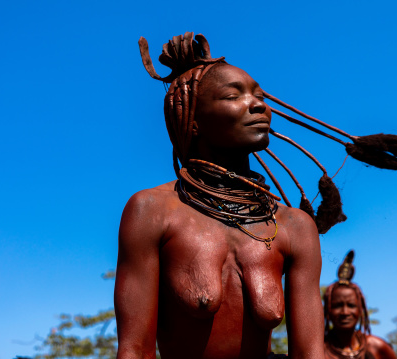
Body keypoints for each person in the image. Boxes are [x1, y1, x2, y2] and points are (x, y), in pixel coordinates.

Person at [114, 32, 325, 359]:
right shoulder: (152, 211)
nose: (258, 105)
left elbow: (311, 353)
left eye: (258, 95)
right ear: (194, 121)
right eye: (233, 96)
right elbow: (134, 351)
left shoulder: (295, 226)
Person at [323, 251, 397, 359]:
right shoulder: (318, 350)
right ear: (327, 310)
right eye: (337, 306)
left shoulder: (377, 348)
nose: (345, 312)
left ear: (360, 309)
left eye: (351, 306)